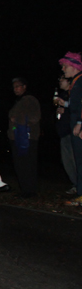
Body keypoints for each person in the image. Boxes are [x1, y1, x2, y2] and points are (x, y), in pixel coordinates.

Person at [7, 77, 40, 197]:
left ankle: (30, 190)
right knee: (20, 164)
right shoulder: (19, 101)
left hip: (26, 137)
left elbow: (35, 117)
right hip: (17, 137)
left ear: (24, 87)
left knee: (27, 164)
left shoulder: (30, 100)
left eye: (18, 86)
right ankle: (25, 189)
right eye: (14, 87)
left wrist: (18, 120)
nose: (15, 89)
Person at [60, 51, 82, 206]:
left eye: (65, 66)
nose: (63, 69)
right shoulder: (75, 82)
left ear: (73, 66)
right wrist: (66, 105)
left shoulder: (80, 81)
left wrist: (80, 122)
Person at [54, 75, 76, 194]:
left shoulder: (73, 93)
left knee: (75, 160)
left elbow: (76, 110)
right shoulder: (62, 95)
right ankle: (76, 184)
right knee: (67, 161)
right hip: (63, 133)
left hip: (72, 132)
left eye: (61, 79)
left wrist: (65, 108)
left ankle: (79, 185)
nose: (59, 82)